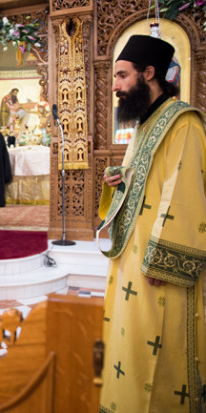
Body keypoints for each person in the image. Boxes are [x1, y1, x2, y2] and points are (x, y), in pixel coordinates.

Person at [98, 35, 206, 413]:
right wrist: (118, 178)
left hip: (157, 265)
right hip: (132, 256)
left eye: (122, 75)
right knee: (129, 342)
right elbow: (145, 179)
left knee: (160, 343)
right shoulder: (145, 123)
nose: (115, 86)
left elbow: (184, 191)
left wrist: (163, 261)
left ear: (149, 73)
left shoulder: (183, 122)